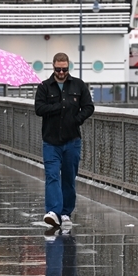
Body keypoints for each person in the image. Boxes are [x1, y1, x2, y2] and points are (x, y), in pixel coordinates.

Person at [34, 52, 94, 229]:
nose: (61, 72)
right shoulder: (44, 87)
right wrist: (59, 107)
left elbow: (89, 107)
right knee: (52, 176)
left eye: (64, 69)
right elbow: (39, 108)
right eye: (58, 69)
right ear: (53, 67)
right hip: (51, 141)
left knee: (68, 178)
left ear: (69, 67)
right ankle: (53, 211)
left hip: (72, 140)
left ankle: (66, 212)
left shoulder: (78, 85)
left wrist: (77, 119)